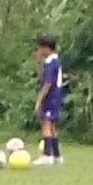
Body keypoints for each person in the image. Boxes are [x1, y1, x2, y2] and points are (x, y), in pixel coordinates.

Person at [33, 35, 65, 166]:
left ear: (47, 48)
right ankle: (57, 155)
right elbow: (43, 77)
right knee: (52, 126)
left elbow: (47, 84)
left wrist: (39, 100)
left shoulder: (51, 64)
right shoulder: (55, 61)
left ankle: (47, 155)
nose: (39, 51)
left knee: (46, 124)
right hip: (56, 97)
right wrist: (39, 64)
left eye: (41, 48)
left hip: (51, 97)